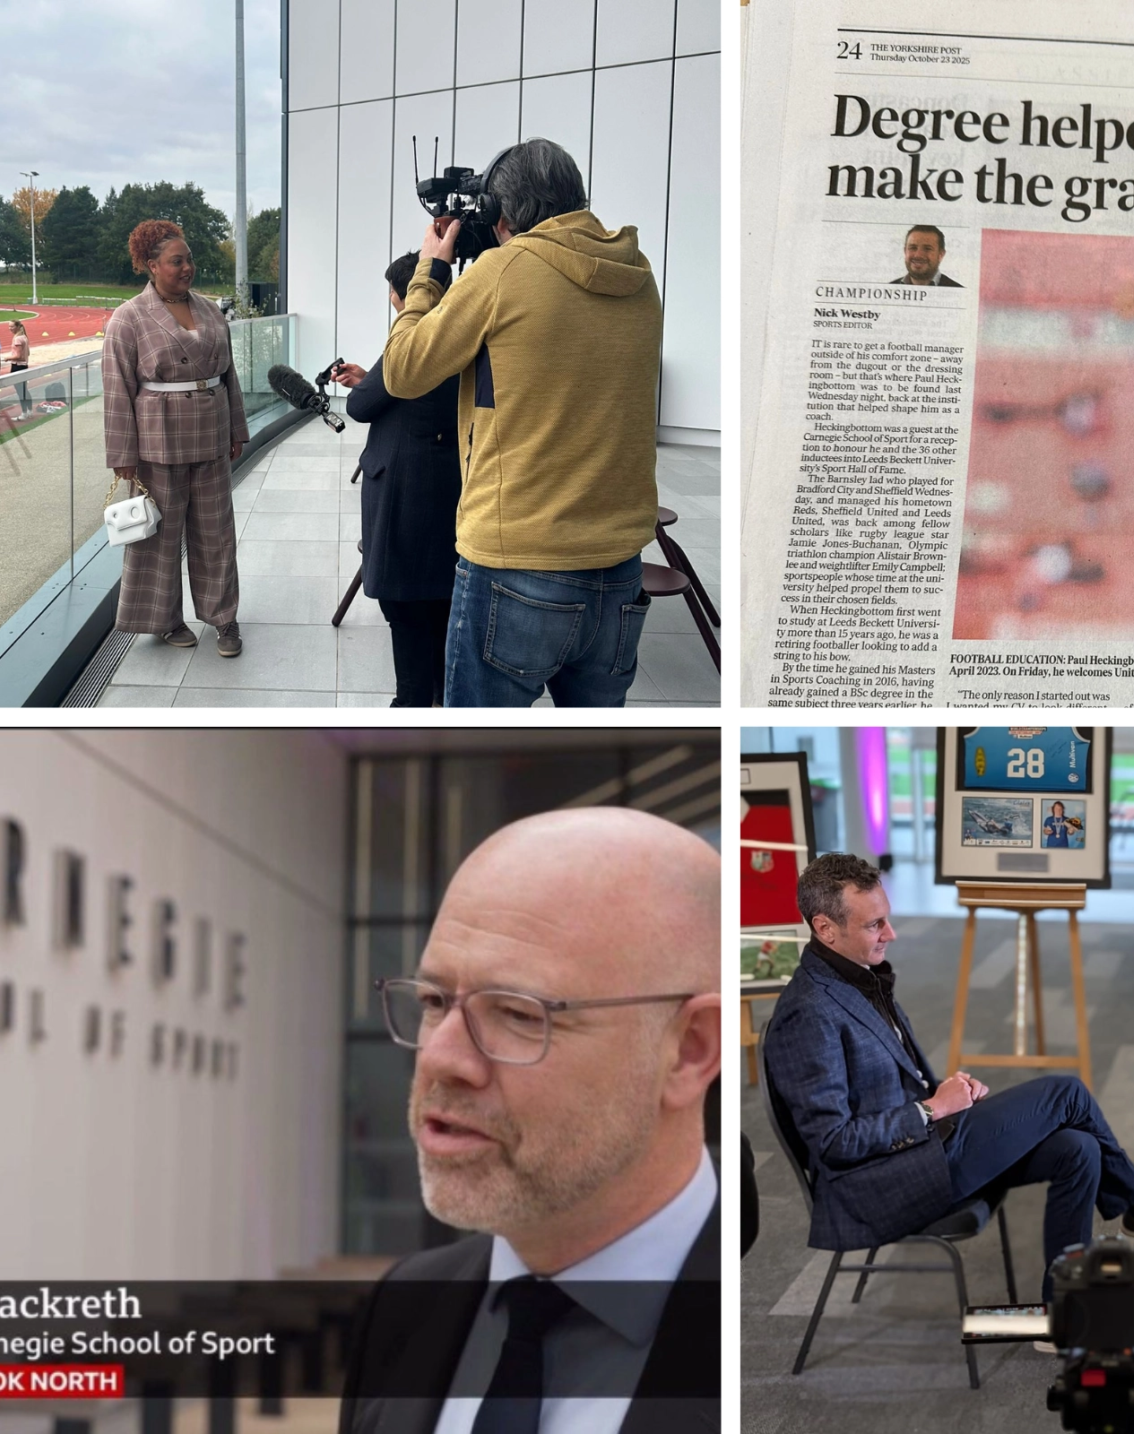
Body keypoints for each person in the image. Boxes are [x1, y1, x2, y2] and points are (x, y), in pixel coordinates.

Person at [339, 808, 721, 1434]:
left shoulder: (739, 1336)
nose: (439, 1057)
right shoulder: (405, 1305)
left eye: (518, 1013)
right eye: (434, 1001)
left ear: (689, 1050)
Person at [764, 853, 1134, 1305]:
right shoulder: (808, 1013)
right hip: (881, 1186)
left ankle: (1062, 1307)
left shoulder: (856, 979)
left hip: (924, 1146)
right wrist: (931, 1108)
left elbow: (891, 1086)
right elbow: (833, 1143)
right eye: (874, 925)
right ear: (825, 928)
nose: (892, 934)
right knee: (1066, 1092)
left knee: (1078, 1150)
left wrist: (949, 1095)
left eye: (887, 920)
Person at [382, 137, 663, 707]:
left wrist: (431, 271)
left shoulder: (504, 270)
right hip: (620, 569)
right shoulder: (638, 275)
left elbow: (403, 370)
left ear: (496, 212)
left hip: (517, 566)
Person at [101, 219, 249, 658]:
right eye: (176, 261)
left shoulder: (208, 310)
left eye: (189, 259)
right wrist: (122, 454)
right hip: (157, 442)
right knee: (158, 538)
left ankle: (224, 618)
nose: (188, 267)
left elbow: (229, 376)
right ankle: (164, 619)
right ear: (152, 266)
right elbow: (117, 389)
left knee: (215, 533)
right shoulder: (128, 318)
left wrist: (237, 428)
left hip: (211, 433)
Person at [329, 251, 462, 706]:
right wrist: (370, 378)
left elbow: (362, 407)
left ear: (402, 295)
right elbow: (409, 393)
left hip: (408, 491)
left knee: (406, 609)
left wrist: (366, 386)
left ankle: (412, 706)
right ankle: (442, 701)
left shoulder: (413, 338)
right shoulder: (459, 331)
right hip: (450, 483)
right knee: (444, 606)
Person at [891, 224, 961, 286]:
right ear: (905, 251)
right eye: (913, 248)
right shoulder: (889, 289)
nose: (918, 255)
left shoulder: (959, 292)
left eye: (927, 249)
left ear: (941, 254)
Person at [4, 319, 32, 418]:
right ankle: (29, 410)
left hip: (17, 366)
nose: (10, 328)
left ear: (17, 327)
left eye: (12, 326)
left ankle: (24, 412)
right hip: (23, 366)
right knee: (24, 390)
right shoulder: (24, 337)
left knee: (20, 391)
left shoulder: (18, 339)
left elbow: (18, 356)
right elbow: (26, 353)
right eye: (9, 326)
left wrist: (6, 358)